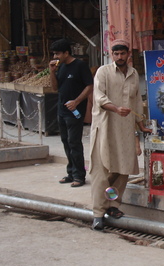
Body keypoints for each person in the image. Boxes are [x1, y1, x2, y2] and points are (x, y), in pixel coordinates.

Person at [89, 39, 151, 231]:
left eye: (123, 53)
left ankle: (114, 206)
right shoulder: (103, 72)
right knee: (102, 171)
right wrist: (115, 108)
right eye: (116, 54)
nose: (119, 57)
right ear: (111, 55)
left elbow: (136, 102)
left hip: (125, 129)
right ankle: (98, 213)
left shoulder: (133, 75)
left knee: (122, 169)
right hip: (105, 127)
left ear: (128, 55)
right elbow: (99, 97)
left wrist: (141, 125)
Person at [49, 38, 94, 188]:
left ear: (67, 53)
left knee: (74, 142)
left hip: (75, 111)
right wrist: (52, 72)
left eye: (58, 54)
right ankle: (70, 172)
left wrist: (77, 101)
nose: (55, 57)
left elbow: (89, 86)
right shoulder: (60, 67)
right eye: (54, 54)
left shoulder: (80, 66)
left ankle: (79, 175)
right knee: (65, 141)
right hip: (62, 110)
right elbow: (55, 88)